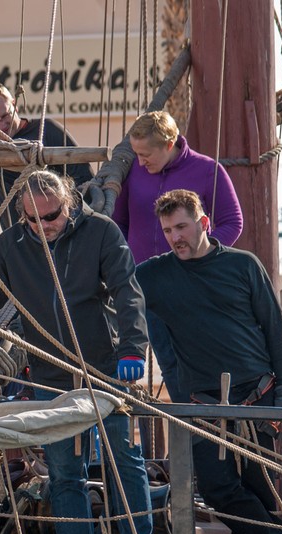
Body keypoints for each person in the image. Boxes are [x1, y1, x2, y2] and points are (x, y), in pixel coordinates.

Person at [0, 169, 157, 534]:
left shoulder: (100, 233)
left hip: (105, 370)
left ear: (69, 205)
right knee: (65, 473)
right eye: (33, 220)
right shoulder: (12, 247)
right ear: (22, 215)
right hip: (50, 376)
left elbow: (127, 291)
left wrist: (132, 350)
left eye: (52, 217)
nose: (44, 227)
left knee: (124, 455)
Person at [137, 189, 282, 534]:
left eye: (181, 226)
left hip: (257, 397)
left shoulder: (243, 265)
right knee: (216, 488)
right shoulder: (154, 275)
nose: (175, 236)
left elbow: (274, 328)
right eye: (167, 230)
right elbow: (112, 290)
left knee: (257, 493)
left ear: (204, 224)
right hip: (204, 405)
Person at [113, 111, 244, 403]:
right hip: (145, 284)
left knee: (198, 361)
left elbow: (232, 222)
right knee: (168, 361)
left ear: (169, 143)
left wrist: (199, 256)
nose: (141, 161)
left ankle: (204, 431)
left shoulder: (207, 170)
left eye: (146, 154)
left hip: (193, 285)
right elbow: (119, 222)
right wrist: (125, 261)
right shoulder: (134, 170)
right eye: (136, 153)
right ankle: (189, 430)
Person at [0, 81, 94, 229]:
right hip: (19, 244)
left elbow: (84, 180)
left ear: (14, 105)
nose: (1, 126)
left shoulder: (46, 130)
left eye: (5, 116)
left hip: (61, 232)